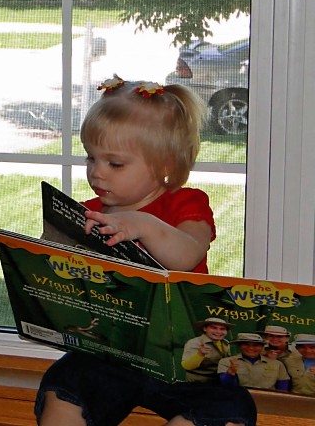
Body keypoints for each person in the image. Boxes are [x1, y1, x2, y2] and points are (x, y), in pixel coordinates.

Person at [35, 76, 257, 426]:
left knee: (232, 408)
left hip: (184, 361)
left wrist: (143, 225)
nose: (97, 172)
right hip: (109, 356)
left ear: (165, 164)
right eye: (91, 158)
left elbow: (186, 254)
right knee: (62, 387)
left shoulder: (186, 204)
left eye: (115, 164)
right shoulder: (86, 213)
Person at [218, 333, 291, 391]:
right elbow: (225, 385)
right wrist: (230, 373)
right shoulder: (226, 362)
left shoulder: (277, 364)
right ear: (239, 346)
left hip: (268, 402)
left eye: (256, 345)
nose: (251, 348)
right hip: (237, 401)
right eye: (246, 344)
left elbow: (282, 389)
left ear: (262, 347)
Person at [181, 317, 234, 382]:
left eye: (222, 329)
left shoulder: (225, 343)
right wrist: (200, 354)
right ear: (205, 329)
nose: (218, 332)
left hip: (217, 382)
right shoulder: (194, 343)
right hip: (197, 383)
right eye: (214, 328)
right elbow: (187, 366)